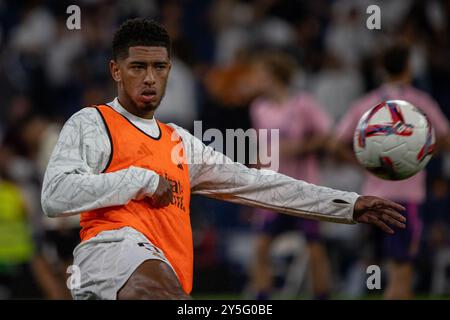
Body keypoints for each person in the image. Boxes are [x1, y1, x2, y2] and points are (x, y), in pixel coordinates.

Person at [41, 18, 406, 300]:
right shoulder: (93, 121)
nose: (150, 78)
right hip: (109, 256)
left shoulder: (179, 142)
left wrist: (347, 204)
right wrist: (144, 179)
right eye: (138, 67)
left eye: (160, 67)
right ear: (115, 71)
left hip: (163, 273)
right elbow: (55, 195)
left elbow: (259, 185)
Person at [332, 44, 450, 299]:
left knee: (376, 266)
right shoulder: (420, 102)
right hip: (407, 200)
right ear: (409, 67)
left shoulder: (365, 103)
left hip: (371, 200)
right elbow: (446, 138)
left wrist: (364, 163)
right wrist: (421, 155)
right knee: (402, 270)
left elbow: (335, 143)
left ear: (381, 69)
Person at [248, 50, 333, 300]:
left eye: (261, 74)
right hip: (273, 189)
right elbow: (262, 146)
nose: (256, 79)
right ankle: (263, 299)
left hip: (303, 188)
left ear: (274, 76)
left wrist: (301, 147)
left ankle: (322, 296)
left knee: (314, 247)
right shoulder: (259, 108)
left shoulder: (302, 103)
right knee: (261, 247)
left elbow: (328, 135)